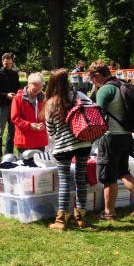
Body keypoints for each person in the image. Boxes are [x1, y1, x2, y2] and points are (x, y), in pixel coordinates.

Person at [88, 61, 134, 220]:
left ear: (98, 75)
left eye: (92, 79)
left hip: (110, 137)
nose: (93, 82)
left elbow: (98, 117)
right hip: (126, 136)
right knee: (123, 171)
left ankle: (109, 213)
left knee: (108, 177)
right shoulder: (123, 84)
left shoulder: (105, 90)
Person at [43, 69, 92, 230]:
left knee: (64, 182)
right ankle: (81, 219)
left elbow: (51, 131)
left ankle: (61, 220)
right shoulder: (76, 96)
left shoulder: (51, 103)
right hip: (83, 143)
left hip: (63, 147)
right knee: (80, 180)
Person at [0, 53, 20, 161]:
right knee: (0, 131)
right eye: (6, 64)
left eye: (10, 63)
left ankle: (8, 153)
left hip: (13, 106)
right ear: (2, 62)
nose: (8, 65)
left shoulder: (15, 74)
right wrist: (5, 95)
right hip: (1, 106)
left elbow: (18, 88)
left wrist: (17, 95)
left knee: (12, 130)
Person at [11, 72, 48, 156]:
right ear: (29, 84)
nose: (38, 89)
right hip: (25, 139)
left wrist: (43, 124)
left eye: (41, 87)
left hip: (40, 139)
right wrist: (30, 125)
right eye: (36, 86)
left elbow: (48, 116)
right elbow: (15, 118)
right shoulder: (18, 98)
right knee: (24, 167)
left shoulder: (44, 98)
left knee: (40, 167)